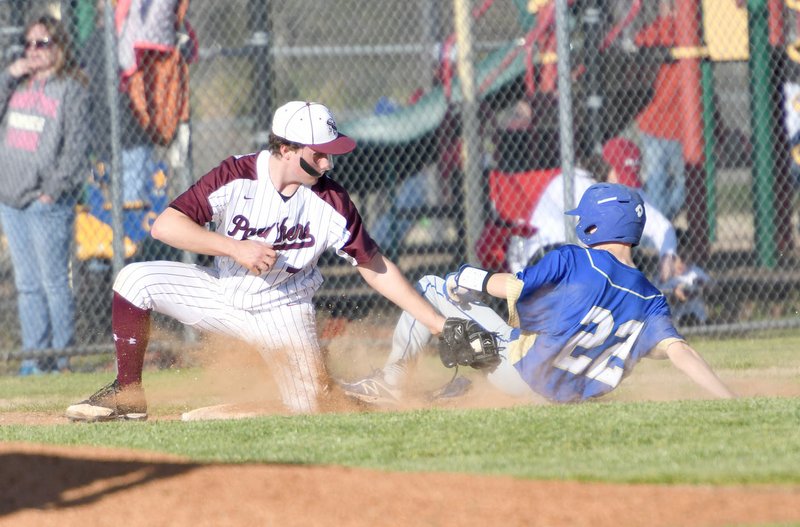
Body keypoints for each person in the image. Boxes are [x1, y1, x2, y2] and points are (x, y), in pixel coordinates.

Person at [65, 100, 449, 421]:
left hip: (285, 310)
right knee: (134, 280)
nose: (328, 164)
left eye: (330, 154)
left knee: (313, 405)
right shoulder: (237, 174)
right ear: (286, 149)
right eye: (319, 155)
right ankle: (128, 395)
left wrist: (436, 324)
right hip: (222, 293)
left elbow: (374, 265)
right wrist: (233, 247)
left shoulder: (331, 201)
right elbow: (166, 226)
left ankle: (353, 393)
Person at [339, 183, 735, 405]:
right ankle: (462, 389)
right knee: (511, 334)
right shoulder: (651, 299)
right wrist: (728, 399)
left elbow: (511, 287)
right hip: (569, 399)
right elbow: (681, 352)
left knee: (429, 288)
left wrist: (466, 278)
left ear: (595, 228)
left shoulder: (574, 260)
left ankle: (392, 383)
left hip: (523, 377)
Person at [0, 14, 90, 375]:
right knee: (26, 284)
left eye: (43, 43)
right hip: (11, 199)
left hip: (44, 202)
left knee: (53, 282)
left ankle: (61, 360)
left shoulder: (71, 89)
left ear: (59, 48)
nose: (34, 50)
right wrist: (9, 74)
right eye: (30, 43)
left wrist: (51, 192)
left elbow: (76, 149)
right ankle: (34, 362)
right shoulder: (18, 84)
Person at [633, 0, 686, 221]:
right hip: (659, 125)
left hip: (674, 126)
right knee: (667, 183)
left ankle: (660, 226)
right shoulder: (658, 32)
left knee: (675, 184)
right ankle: (661, 227)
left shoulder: (653, 33)